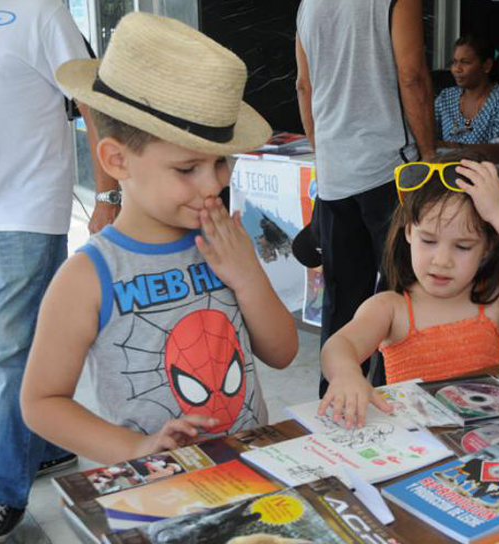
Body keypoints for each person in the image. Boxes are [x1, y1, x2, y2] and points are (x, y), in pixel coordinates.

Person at [20, 12, 298, 467]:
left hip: (250, 470)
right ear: (117, 160)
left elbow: (283, 352)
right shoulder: (89, 276)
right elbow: (42, 402)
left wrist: (248, 276)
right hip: (159, 489)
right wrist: (136, 448)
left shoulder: (224, 243)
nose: (213, 184)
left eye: (220, 163)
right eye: (187, 169)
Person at [318, 155, 499, 427]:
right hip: (422, 442)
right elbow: (339, 346)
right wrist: (347, 374)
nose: (442, 260)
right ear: (409, 232)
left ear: (488, 247)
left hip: (489, 437)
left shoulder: (496, 298)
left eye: (463, 246)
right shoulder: (390, 308)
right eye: (428, 240)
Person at [0, 0, 118, 539]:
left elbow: (92, 101)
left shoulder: (41, 12)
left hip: (26, 208)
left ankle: (4, 491)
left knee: (10, 353)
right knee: (21, 347)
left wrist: (109, 193)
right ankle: (43, 445)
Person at [295, 0, 437, 398]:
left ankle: (337, 400)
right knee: (403, 295)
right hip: (389, 171)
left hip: (335, 176)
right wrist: (428, 157)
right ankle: (398, 399)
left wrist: (324, 152)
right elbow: (412, 76)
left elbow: (303, 85)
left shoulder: (308, 6)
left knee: (341, 301)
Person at [435, 34, 499, 164]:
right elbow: (427, 139)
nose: (457, 69)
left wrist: (453, 148)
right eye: (454, 62)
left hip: (491, 174)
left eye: (465, 62)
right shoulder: (445, 97)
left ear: (486, 65)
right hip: (450, 173)